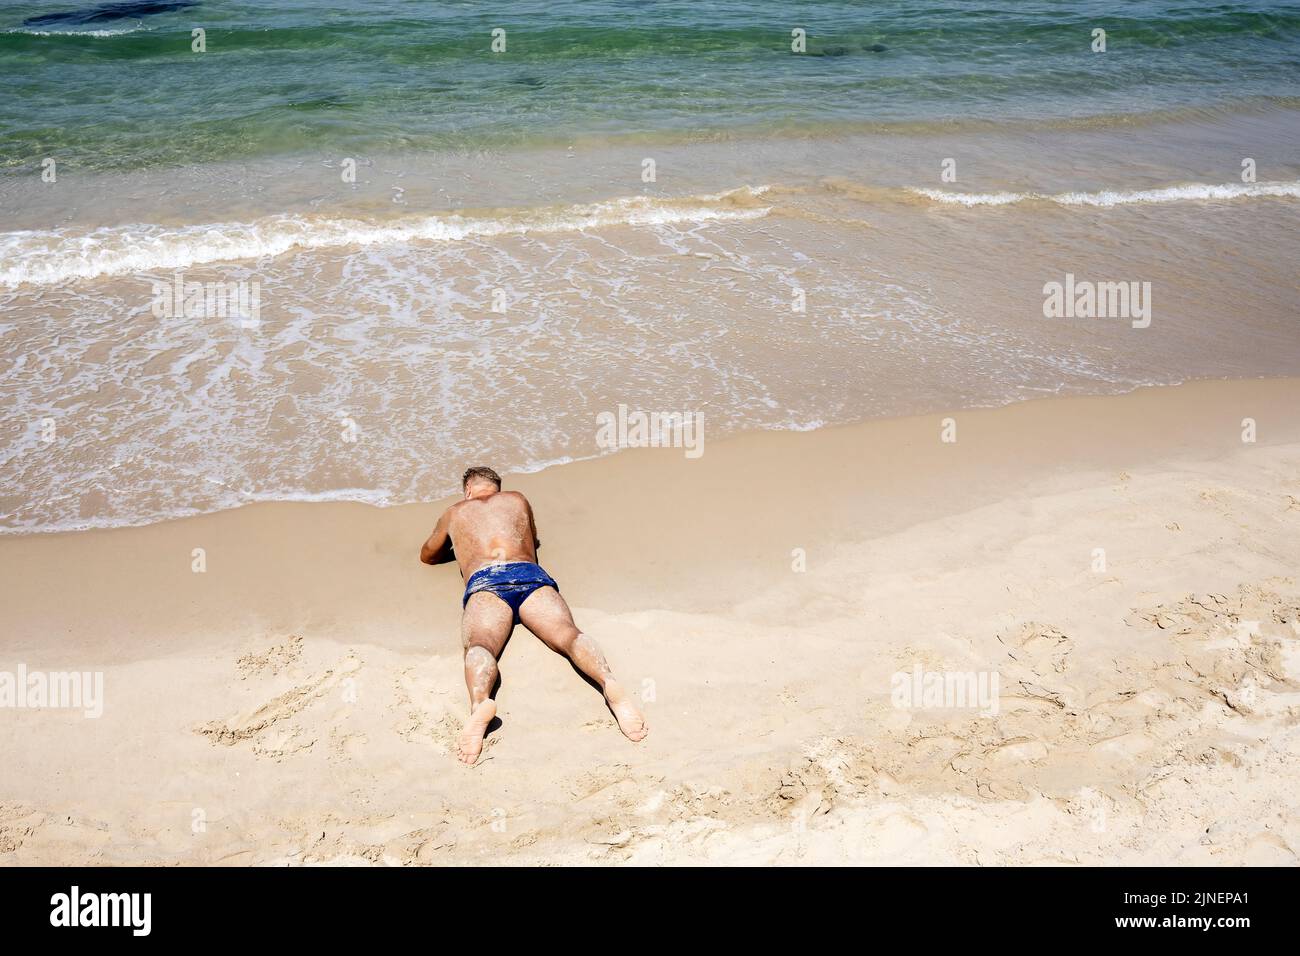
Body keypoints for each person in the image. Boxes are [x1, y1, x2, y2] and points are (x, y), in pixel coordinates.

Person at [420, 466, 649, 764]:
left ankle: (480, 705)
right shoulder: (518, 500)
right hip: (530, 576)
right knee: (568, 634)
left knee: (480, 645)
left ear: (467, 490)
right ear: (498, 489)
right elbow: (532, 538)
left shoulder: (455, 511)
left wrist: (462, 541)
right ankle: (608, 683)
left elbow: (427, 554)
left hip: (487, 581)